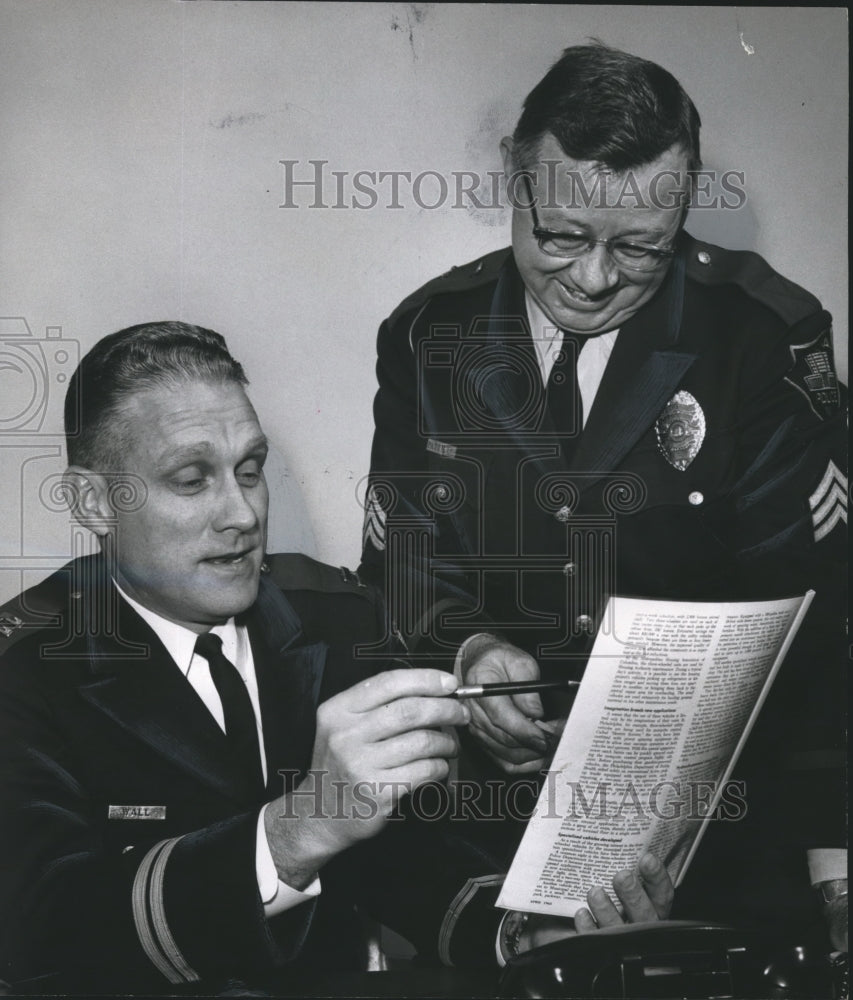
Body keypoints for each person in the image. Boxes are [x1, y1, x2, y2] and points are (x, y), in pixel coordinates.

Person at [0, 322, 673, 995]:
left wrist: (524, 935)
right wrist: (300, 827)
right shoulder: (26, 668)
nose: (241, 514)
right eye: (190, 479)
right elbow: (44, 927)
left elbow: (402, 856)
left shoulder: (332, 614)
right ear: (93, 502)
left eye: (250, 470)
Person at [358, 44, 847, 949]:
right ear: (515, 183)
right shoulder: (433, 330)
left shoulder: (760, 337)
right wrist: (469, 649)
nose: (591, 280)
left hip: (713, 839)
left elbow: (813, 620)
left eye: (637, 248)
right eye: (561, 237)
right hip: (488, 842)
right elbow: (401, 568)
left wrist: (835, 875)